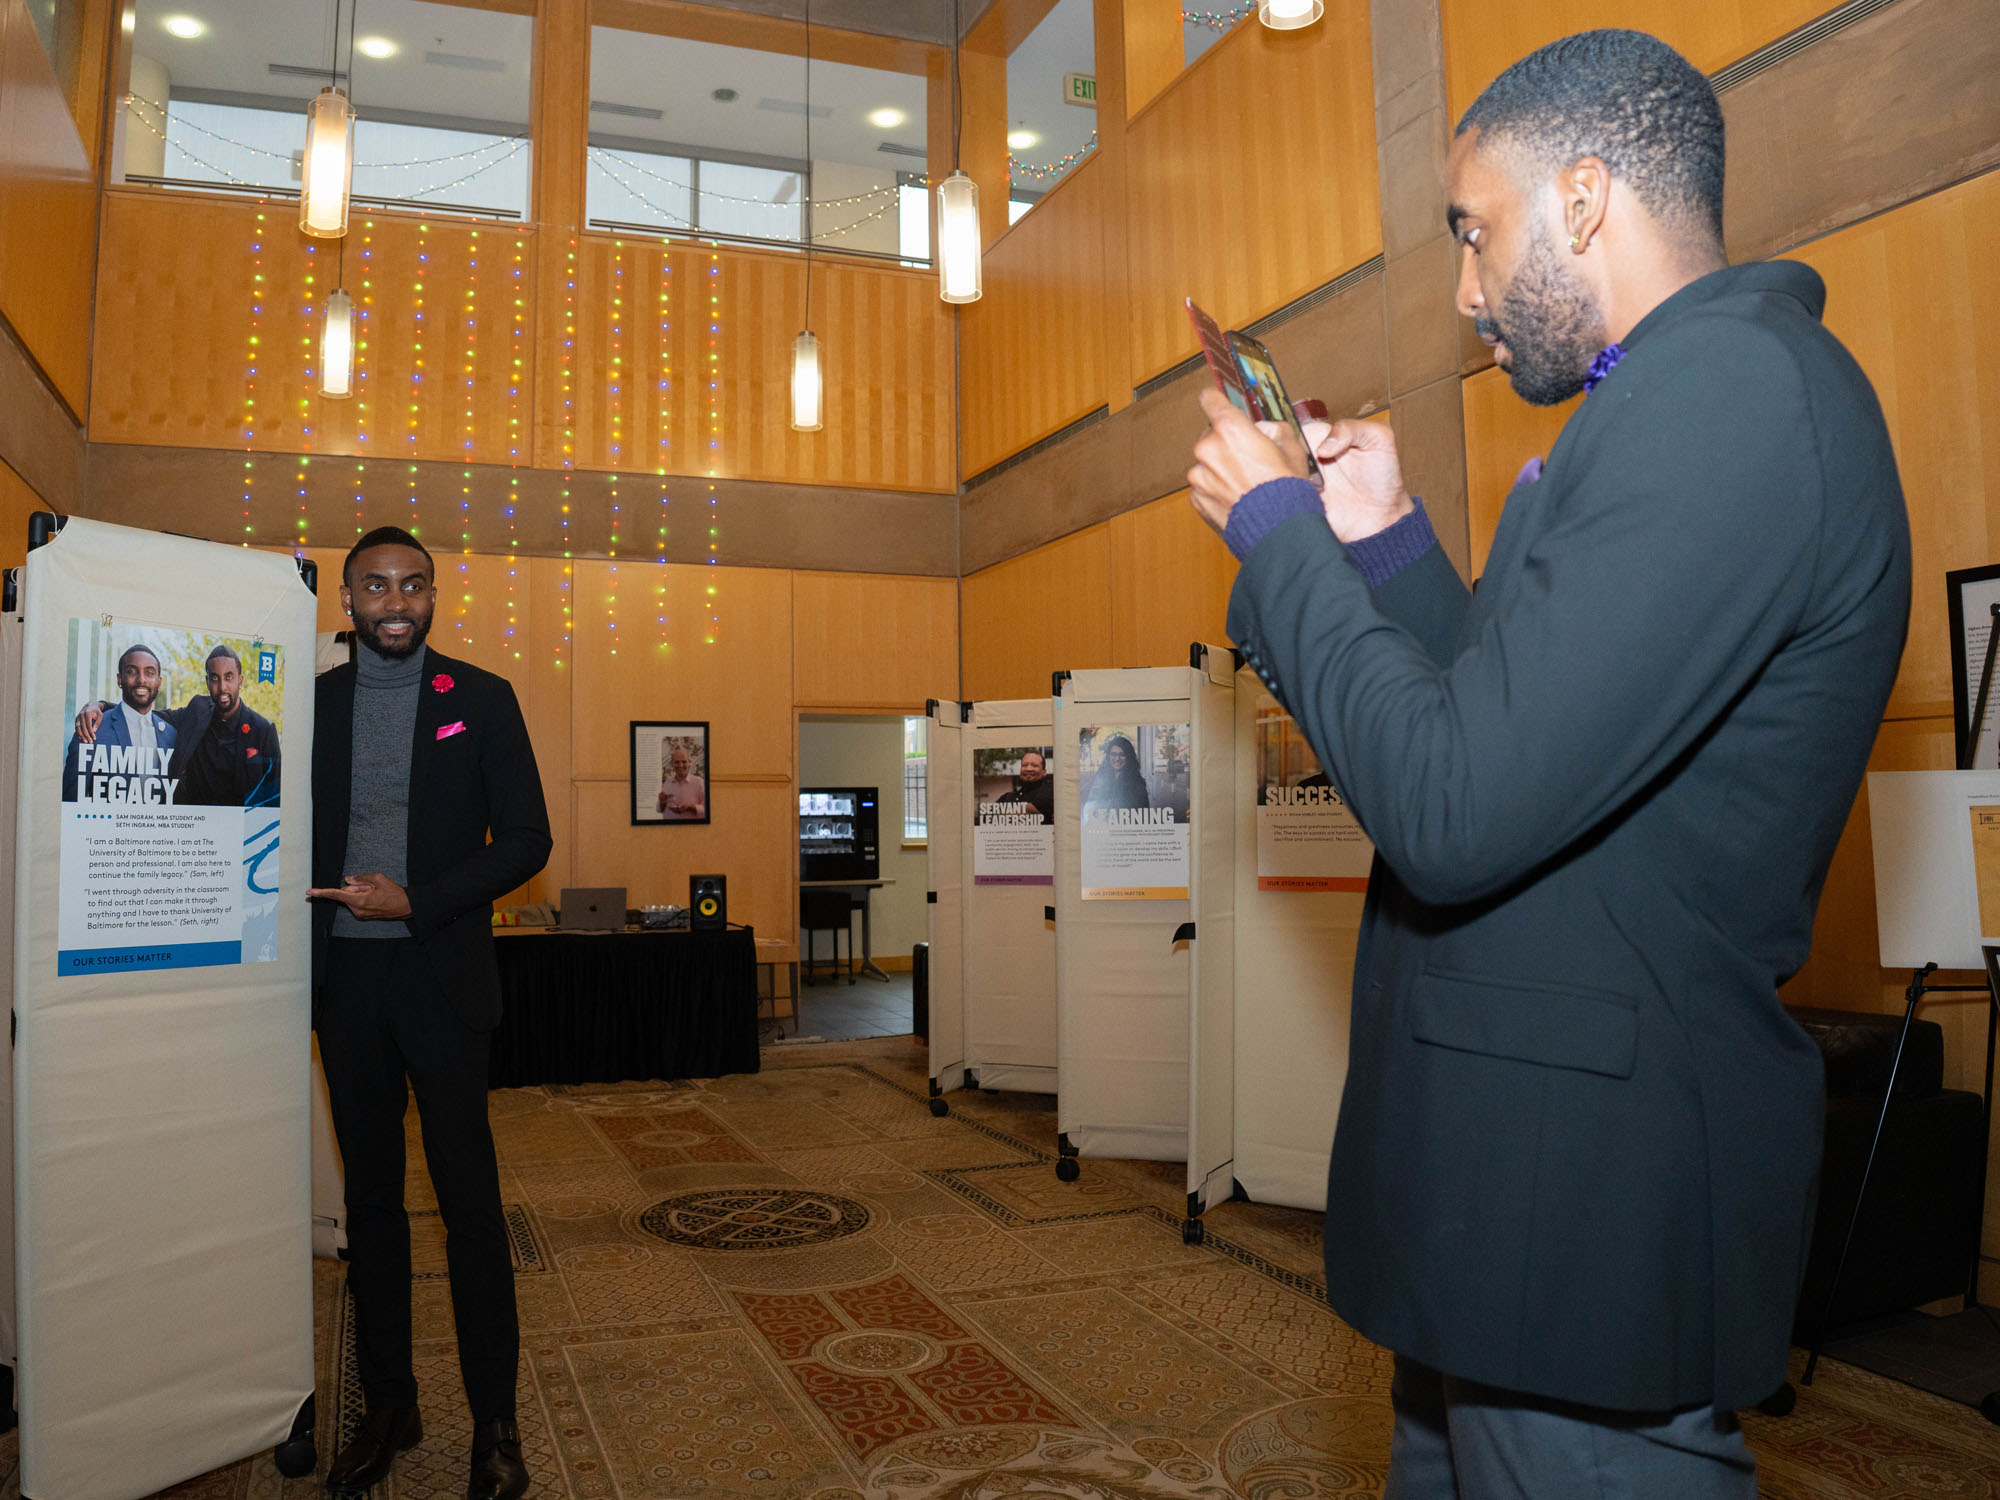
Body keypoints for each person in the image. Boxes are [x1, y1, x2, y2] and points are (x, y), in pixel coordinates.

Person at [1186, 30, 1908, 1499]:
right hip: (1516, 1187)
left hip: (1585, 1195)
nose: (1463, 288)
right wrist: (1381, 540)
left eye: (1475, 230)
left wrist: (1276, 544)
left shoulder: (1737, 397)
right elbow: (1509, 739)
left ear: (1583, 199)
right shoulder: (1660, 407)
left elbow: (1452, 811)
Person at [307, 525, 551, 1500]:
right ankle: (390, 1403)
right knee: (371, 1206)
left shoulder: (481, 699)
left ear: (434, 596)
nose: (395, 603)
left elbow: (528, 837)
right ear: (347, 600)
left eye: (412, 586)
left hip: (441, 980)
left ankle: (495, 1426)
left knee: (470, 1210)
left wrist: (419, 898)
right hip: (346, 989)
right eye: (375, 587)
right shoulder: (313, 705)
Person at [74, 644, 281, 807]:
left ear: (240, 680)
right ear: (207, 681)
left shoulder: (262, 729)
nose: (222, 687)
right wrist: (100, 706)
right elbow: (145, 713)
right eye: (215, 678)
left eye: (229, 678)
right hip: (197, 835)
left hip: (244, 835)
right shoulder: (197, 712)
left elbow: (273, 797)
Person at [62, 644, 177, 802]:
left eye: (149, 673)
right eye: (131, 671)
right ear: (119, 679)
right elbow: (70, 801)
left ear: (159, 682)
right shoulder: (91, 728)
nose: (141, 679)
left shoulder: (172, 735)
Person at [1080, 734, 1149, 817]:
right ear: (1108, 756)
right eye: (1114, 754)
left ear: (1129, 757)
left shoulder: (1138, 784)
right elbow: (1090, 806)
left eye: (1122, 755)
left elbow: (1143, 816)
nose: (1117, 759)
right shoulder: (1101, 779)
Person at [995, 748, 1054, 823]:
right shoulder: (1007, 797)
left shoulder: (1051, 790)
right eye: (1024, 765)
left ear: (1044, 772)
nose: (1028, 769)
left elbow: (1030, 810)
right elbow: (987, 817)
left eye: (1034, 765)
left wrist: (1001, 813)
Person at [657, 742, 706, 819]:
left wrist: (691, 808)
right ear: (672, 764)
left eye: (684, 761)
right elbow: (659, 810)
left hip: (692, 829)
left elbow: (708, 810)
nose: (680, 765)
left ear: (689, 762)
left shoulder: (699, 782)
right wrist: (662, 802)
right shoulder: (667, 782)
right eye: (677, 762)